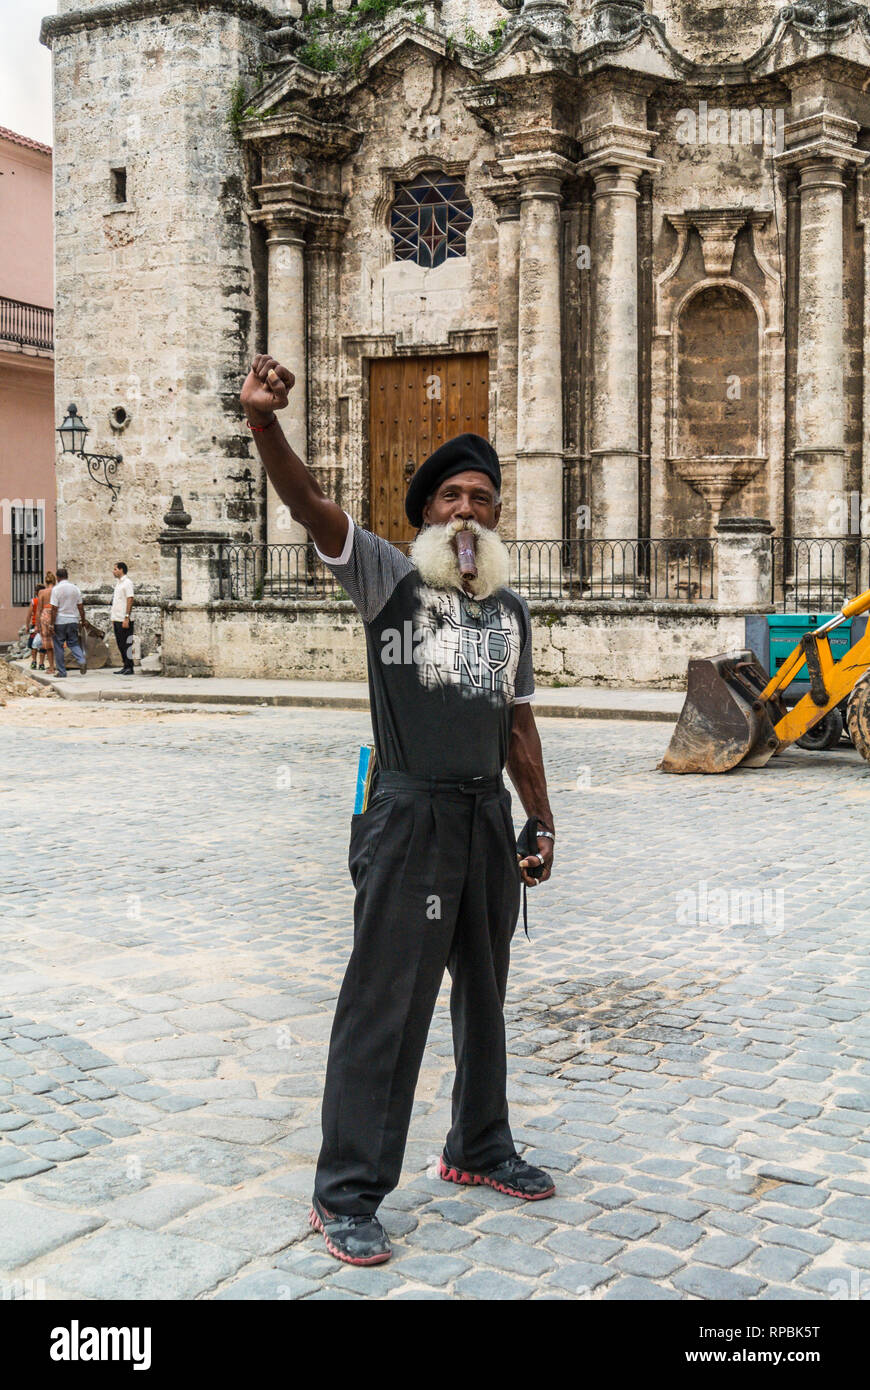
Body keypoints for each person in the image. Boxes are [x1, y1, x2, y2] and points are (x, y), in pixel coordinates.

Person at [242, 354, 556, 1267]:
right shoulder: (387, 579)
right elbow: (309, 507)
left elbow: (519, 727)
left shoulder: (511, 613)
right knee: (388, 1002)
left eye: (483, 498)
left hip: (484, 821)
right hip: (407, 817)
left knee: (486, 995)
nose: (467, 511)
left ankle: (480, 1146)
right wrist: (266, 424)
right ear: (425, 515)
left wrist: (539, 821)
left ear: (498, 517)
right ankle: (346, 1193)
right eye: (451, 497)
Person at [49, 567, 87, 678]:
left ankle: (62, 672)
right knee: (74, 643)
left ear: (58, 577)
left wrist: (51, 624)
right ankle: (81, 660)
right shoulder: (75, 589)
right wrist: (83, 620)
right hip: (73, 620)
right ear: (67, 576)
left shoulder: (56, 589)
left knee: (59, 646)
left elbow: (54, 609)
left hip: (60, 621)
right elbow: (80, 607)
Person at [111, 561, 135, 674]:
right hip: (117, 617)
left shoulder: (127, 583)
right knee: (120, 643)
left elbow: (130, 599)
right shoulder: (118, 583)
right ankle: (125, 664)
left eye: (115, 569)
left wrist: (127, 617)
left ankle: (130, 666)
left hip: (124, 618)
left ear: (121, 570)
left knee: (127, 643)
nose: (114, 571)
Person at [35, 572, 57, 674]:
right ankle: (59, 665)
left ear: (46, 581)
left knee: (47, 643)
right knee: (58, 641)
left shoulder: (42, 592)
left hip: (45, 616)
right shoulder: (57, 591)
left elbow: (39, 609)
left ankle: (51, 667)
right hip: (56, 614)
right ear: (54, 581)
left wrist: (37, 624)